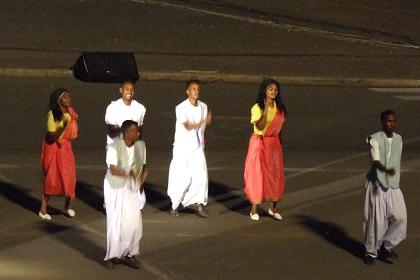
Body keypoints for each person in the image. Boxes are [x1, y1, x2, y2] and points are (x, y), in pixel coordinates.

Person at [362, 110, 407, 265]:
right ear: (382, 122)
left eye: (393, 121)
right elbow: (375, 161)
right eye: (388, 121)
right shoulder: (374, 139)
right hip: (376, 184)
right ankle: (371, 252)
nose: (391, 124)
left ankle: (385, 246)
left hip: (393, 184)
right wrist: (386, 170)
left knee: (400, 217)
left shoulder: (399, 139)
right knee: (375, 220)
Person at [104, 120, 148, 269]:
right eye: (135, 131)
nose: (138, 133)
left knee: (134, 221)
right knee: (116, 221)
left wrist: (141, 182)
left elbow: (143, 168)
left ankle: (130, 254)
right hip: (115, 186)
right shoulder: (113, 147)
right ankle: (112, 255)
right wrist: (129, 174)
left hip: (131, 186)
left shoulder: (141, 146)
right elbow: (113, 170)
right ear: (127, 133)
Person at [244, 79, 287, 221]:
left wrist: (279, 143)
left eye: (275, 89)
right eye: (270, 89)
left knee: (276, 176)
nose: (274, 92)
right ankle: (254, 209)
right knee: (257, 176)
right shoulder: (257, 107)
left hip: (273, 145)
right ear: (264, 91)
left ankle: (273, 208)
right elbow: (261, 126)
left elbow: (279, 128)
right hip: (259, 143)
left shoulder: (280, 108)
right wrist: (266, 110)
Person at [167, 79, 211, 218]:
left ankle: (198, 204)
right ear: (188, 91)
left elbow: (202, 129)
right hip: (182, 148)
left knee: (201, 176)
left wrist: (203, 143)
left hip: (197, 148)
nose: (196, 91)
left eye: (198, 89)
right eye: (193, 89)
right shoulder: (180, 107)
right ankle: (174, 205)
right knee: (182, 177)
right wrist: (203, 121)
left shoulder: (203, 106)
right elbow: (187, 126)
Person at [39, 88, 79, 220]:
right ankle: (43, 209)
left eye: (69, 97)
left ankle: (67, 206)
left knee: (70, 178)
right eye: (65, 97)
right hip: (53, 148)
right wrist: (63, 126)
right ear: (58, 100)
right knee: (52, 177)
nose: (68, 99)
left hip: (66, 148)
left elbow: (73, 133)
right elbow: (51, 137)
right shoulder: (52, 114)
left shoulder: (70, 113)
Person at [105, 79, 146, 144]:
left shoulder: (140, 108)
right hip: (115, 146)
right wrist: (128, 131)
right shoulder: (112, 107)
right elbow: (111, 131)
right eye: (127, 89)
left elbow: (140, 130)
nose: (129, 91)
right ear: (121, 90)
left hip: (133, 147)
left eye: (132, 89)